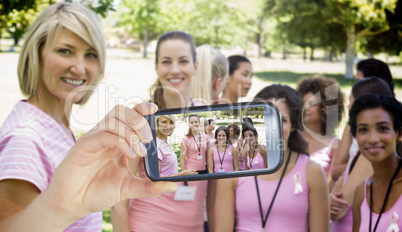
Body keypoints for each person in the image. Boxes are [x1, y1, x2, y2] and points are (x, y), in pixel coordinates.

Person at [0, 3, 176, 231]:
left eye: (91, 54)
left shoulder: (53, 126)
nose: (80, 68)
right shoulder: (25, 140)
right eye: (65, 51)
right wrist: (63, 206)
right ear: (37, 53)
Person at [111, 31, 207, 232]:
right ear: (156, 67)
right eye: (166, 61)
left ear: (195, 67)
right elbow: (118, 197)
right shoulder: (140, 118)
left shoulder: (203, 118)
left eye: (183, 61)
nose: (174, 69)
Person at [214, 84, 329, 231]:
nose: (274, 126)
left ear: (294, 125)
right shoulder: (233, 174)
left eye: (283, 120)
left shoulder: (312, 172)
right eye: (268, 117)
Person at [330, 77, 393, 231]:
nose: (350, 106)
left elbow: (337, 211)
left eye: (353, 101)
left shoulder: (369, 156)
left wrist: (333, 194)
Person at [349, 94, 402, 232]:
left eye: (382, 128)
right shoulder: (361, 192)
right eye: (363, 130)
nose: (372, 139)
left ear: (399, 133)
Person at [297, 75, 344, 184]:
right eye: (303, 103)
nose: (305, 107)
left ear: (325, 107)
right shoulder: (292, 137)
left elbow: (332, 181)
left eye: (311, 104)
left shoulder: (335, 145)